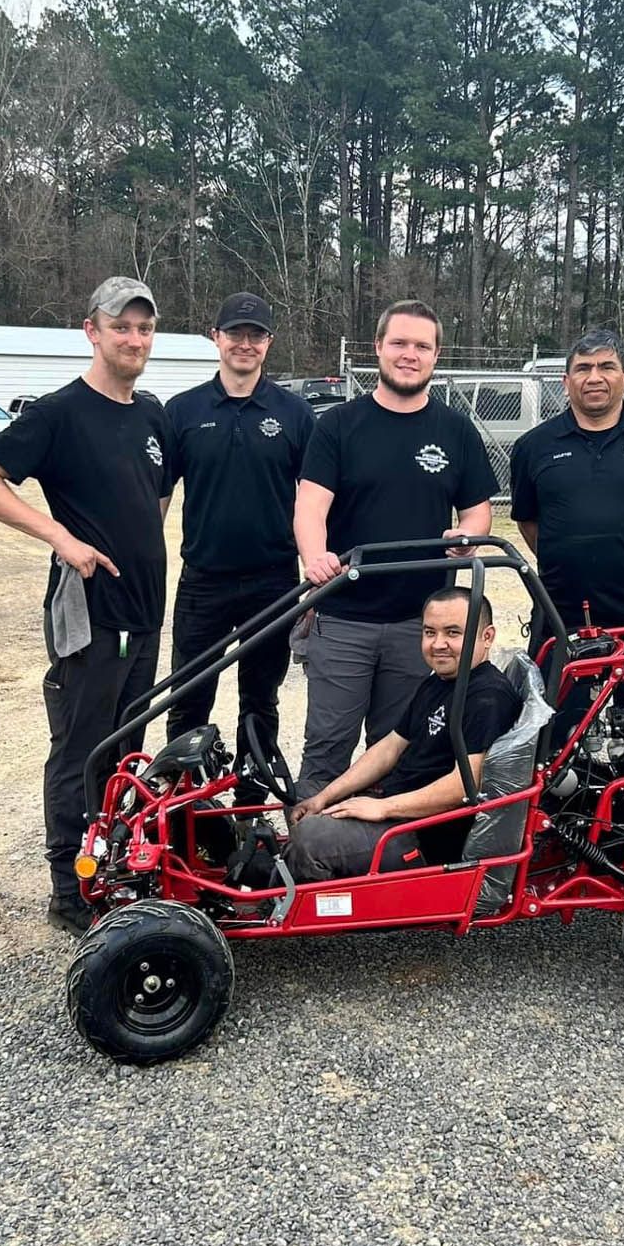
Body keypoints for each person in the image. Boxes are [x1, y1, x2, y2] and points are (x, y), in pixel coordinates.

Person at [0, 276, 172, 933]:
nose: (134, 339)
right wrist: (61, 536)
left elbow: (151, 499)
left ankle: (112, 868)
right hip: (91, 616)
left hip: (142, 615)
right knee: (80, 750)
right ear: (93, 331)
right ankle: (68, 892)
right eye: (121, 326)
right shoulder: (59, 412)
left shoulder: (152, 412)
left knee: (128, 746)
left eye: (144, 328)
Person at [293, 300, 496, 795]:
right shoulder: (338, 424)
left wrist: (464, 536)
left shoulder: (455, 430)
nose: (410, 354)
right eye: (400, 343)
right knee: (327, 745)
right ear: (379, 348)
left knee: (396, 749)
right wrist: (315, 556)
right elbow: (310, 508)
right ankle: (308, 850)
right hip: (342, 617)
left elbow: (477, 511)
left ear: (436, 355)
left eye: (422, 346)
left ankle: (372, 857)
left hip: (419, 624)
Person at [509, 328, 624, 745]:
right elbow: (528, 522)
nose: (594, 377)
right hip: (563, 612)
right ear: (566, 382)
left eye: (606, 366)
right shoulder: (533, 447)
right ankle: (564, 809)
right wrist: (570, 560)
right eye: (583, 368)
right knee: (552, 737)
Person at [162, 293, 316, 799]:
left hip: (273, 583)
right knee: (189, 699)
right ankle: (184, 810)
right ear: (216, 338)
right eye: (236, 334)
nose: (245, 344)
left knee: (260, 700)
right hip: (203, 581)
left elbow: (316, 502)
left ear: (269, 343)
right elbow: (158, 498)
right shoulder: (182, 411)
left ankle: (249, 808)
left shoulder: (295, 414)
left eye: (256, 335)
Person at [285, 587, 520, 881]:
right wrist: (325, 797)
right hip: (399, 812)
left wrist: (383, 808)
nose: (438, 644)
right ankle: (258, 885)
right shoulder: (439, 682)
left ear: (487, 636)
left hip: (424, 838)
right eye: (429, 632)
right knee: (302, 795)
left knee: (311, 837)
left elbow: (467, 784)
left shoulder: (488, 696)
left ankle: (297, 914)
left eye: (453, 633)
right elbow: (390, 748)